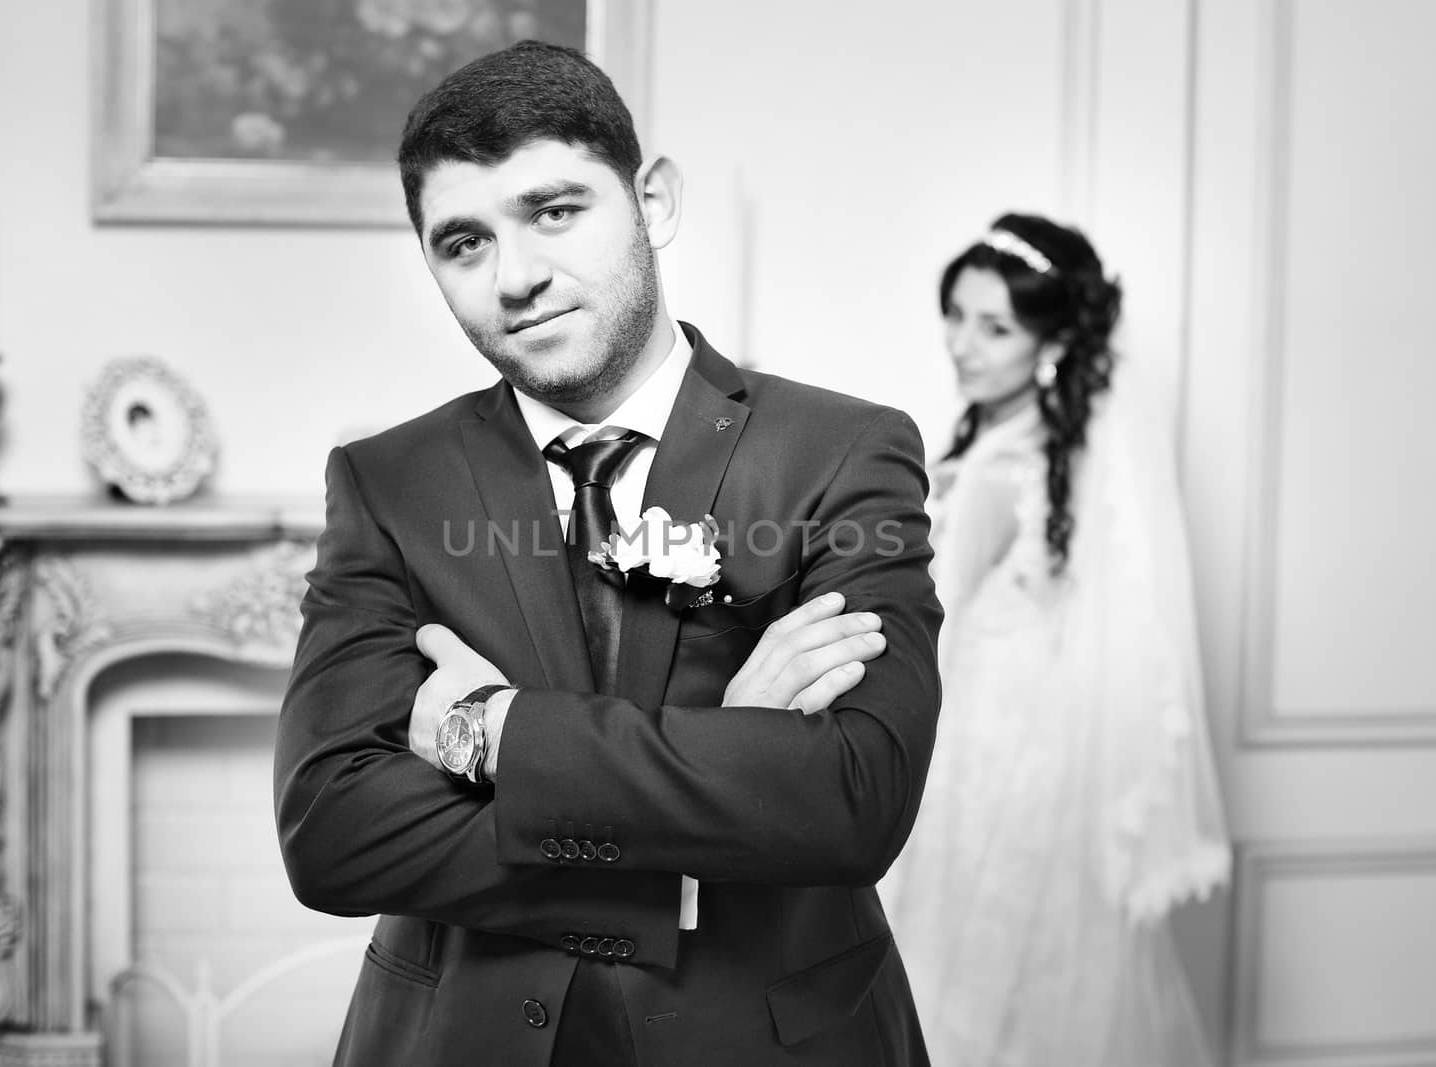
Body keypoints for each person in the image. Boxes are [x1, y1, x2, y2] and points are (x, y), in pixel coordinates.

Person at [273, 41, 944, 1067]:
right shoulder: (388, 482)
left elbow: (853, 798)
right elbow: (331, 829)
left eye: (554, 210)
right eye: (462, 242)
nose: (518, 276)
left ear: (652, 201)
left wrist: (489, 734)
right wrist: (720, 771)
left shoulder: (841, 451)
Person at [882, 213, 1231, 1066]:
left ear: (1051, 341)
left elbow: (927, 615)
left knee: (962, 974)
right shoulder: (1046, 452)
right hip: (1027, 752)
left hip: (985, 760)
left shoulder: (1005, 467)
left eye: (993, 326)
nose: (962, 344)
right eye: (956, 315)